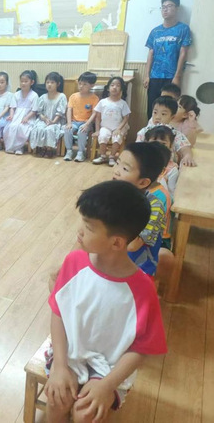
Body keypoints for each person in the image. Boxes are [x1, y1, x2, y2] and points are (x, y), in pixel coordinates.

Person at [46, 180, 167, 423]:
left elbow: (141, 348)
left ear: (117, 242)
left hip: (111, 368)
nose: (80, 230)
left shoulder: (143, 290)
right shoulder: (74, 262)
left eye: (89, 227)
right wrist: (59, 366)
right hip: (68, 353)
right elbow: (58, 313)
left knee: (86, 414)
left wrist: (107, 385)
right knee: (58, 399)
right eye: (83, 221)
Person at [112, 142, 168, 278]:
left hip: (139, 270)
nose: (116, 170)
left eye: (125, 169)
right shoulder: (112, 195)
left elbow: (133, 246)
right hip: (111, 261)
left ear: (143, 182)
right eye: (117, 163)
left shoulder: (154, 206)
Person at [144, 0, 192, 119]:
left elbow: (183, 53)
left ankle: (166, 131)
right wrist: (147, 75)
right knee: (152, 108)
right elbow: (151, 53)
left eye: (169, 6)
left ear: (177, 8)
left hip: (171, 76)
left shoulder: (183, 29)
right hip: (155, 76)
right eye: (163, 7)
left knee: (170, 109)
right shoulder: (155, 31)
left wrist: (177, 76)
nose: (165, 9)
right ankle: (151, 130)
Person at [136, 96, 196, 167]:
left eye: (163, 114)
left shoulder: (175, 133)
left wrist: (187, 156)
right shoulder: (144, 131)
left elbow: (185, 148)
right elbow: (137, 149)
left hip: (167, 169)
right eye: (155, 112)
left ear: (172, 117)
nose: (158, 117)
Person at [89, 77, 131, 166]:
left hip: (118, 127)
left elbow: (126, 118)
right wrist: (97, 130)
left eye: (118, 85)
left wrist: (119, 129)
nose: (114, 87)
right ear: (108, 88)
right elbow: (98, 118)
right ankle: (103, 156)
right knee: (103, 136)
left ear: (121, 89)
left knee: (117, 138)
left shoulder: (123, 103)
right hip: (105, 127)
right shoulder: (102, 102)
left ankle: (112, 156)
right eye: (112, 85)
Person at [29, 72, 67, 158]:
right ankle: (42, 147)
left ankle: (49, 149)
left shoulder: (62, 96)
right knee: (39, 128)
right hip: (44, 120)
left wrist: (53, 121)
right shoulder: (42, 97)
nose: (49, 84)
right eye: (47, 82)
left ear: (58, 84)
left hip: (56, 121)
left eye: (52, 82)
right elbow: (39, 112)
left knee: (49, 129)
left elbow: (60, 112)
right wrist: (44, 119)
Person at [64, 72, 99, 162]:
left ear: (92, 85)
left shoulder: (94, 98)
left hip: (86, 122)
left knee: (82, 131)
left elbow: (94, 113)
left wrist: (87, 124)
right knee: (67, 130)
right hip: (74, 122)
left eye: (85, 84)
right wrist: (69, 123)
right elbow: (69, 110)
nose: (81, 86)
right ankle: (69, 151)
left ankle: (81, 152)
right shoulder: (73, 96)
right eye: (79, 83)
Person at [3, 70, 39, 155]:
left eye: (26, 81)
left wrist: (26, 117)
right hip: (16, 116)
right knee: (11, 127)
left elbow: (34, 110)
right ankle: (11, 147)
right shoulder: (16, 94)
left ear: (32, 82)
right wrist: (11, 115)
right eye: (22, 81)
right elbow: (12, 107)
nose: (23, 83)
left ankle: (20, 147)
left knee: (21, 127)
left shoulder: (34, 95)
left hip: (28, 117)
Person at [145, 125, 179, 199]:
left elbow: (171, 194)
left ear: (171, 146)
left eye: (163, 144)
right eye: (153, 143)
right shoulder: (142, 162)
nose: (157, 147)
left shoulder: (172, 170)